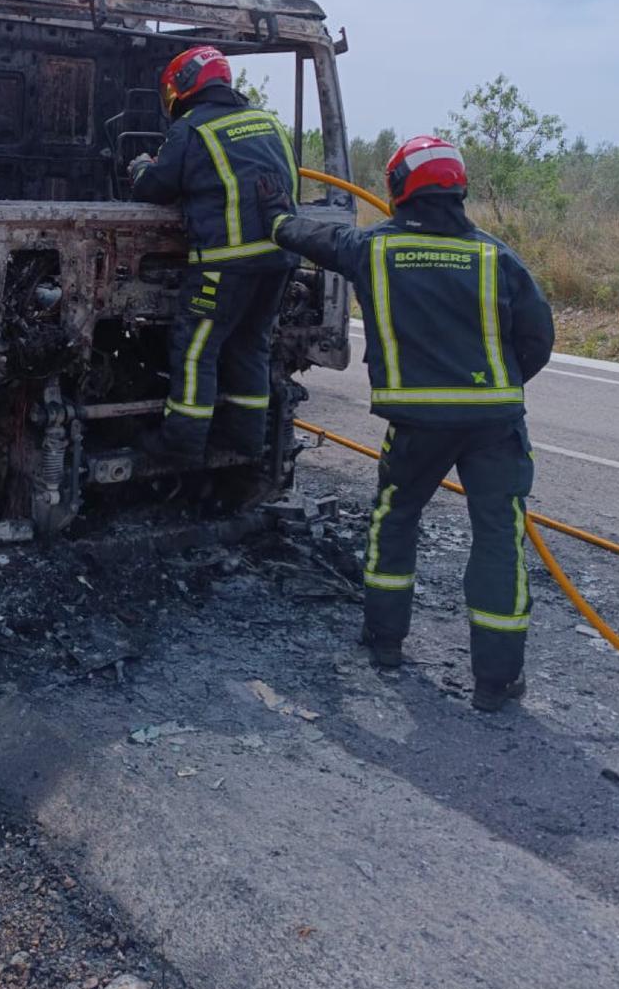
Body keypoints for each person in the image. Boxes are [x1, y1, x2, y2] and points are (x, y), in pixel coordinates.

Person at [256, 135, 555, 711]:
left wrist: (271, 213)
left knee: (395, 520)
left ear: (397, 188)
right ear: (457, 187)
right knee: (499, 538)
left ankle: (384, 643)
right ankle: (496, 682)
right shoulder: (498, 257)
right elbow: (537, 340)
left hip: (418, 424)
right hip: (495, 421)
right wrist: (495, 389)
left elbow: (307, 235)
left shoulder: (373, 248)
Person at [129, 45, 299, 465]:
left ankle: (180, 446)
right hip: (279, 260)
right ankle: (244, 441)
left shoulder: (192, 129)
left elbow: (155, 187)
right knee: (250, 346)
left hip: (225, 265)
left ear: (183, 86)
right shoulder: (267, 121)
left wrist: (139, 169)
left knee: (195, 349)